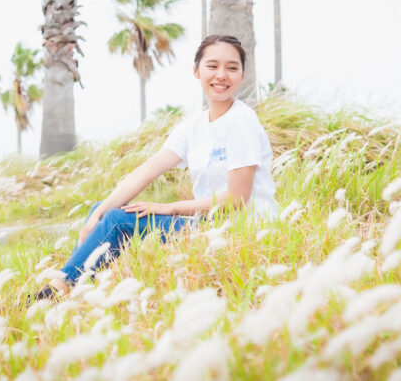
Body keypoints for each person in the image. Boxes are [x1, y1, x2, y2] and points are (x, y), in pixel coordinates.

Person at [30, 35, 278, 302]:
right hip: (206, 223)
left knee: (118, 222)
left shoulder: (241, 121)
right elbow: (146, 172)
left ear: (242, 75)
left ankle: (61, 288)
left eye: (232, 68)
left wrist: (168, 208)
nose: (221, 75)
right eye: (212, 66)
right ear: (196, 71)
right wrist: (97, 214)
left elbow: (237, 199)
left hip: (239, 230)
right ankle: (78, 285)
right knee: (105, 211)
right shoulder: (193, 125)